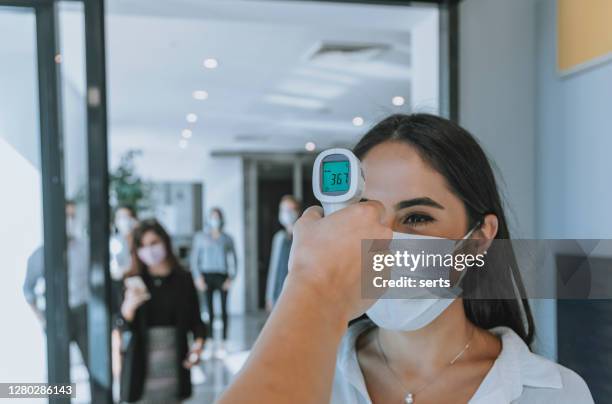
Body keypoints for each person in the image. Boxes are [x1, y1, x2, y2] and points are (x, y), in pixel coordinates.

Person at [217, 114, 593, 403]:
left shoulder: (556, 393)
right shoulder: (304, 374)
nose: (387, 242)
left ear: (479, 239)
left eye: (416, 218)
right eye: (369, 218)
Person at [118, 219, 206, 404]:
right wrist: (128, 308)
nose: (149, 250)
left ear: (165, 242)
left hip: (175, 365)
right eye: (142, 246)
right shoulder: (133, 281)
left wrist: (197, 348)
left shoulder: (183, 280)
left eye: (153, 243)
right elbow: (122, 325)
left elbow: (197, 323)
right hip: (141, 368)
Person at [23, 200, 91, 373]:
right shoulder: (41, 254)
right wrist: (43, 319)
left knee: (93, 365)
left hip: (84, 312)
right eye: (65, 216)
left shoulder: (86, 248)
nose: (69, 220)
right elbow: (28, 290)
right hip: (57, 315)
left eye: (72, 216)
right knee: (58, 370)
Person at [190, 207, 237, 350]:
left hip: (222, 276)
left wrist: (231, 278)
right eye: (212, 217)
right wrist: (198, 278)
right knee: (208, 310)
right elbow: (194, 260)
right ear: (208, 219)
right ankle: (209, 340)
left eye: (217, 217)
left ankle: (223, 341)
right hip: (206, 276)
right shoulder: (200, 237)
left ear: (221, 219)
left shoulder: (227, 238)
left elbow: (234, 260)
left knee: (223, 309)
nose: (215, 220)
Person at [265, 195, 301, 310]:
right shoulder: (279, 238)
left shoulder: (304, 235)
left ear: (298, 211)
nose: (287, 213)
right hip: (279, 294)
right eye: (284, 210)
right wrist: (269, 296)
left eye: (291, 210)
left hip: (298, 294)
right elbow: (274, 269)